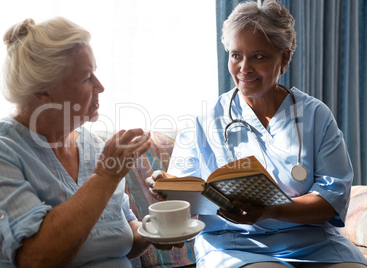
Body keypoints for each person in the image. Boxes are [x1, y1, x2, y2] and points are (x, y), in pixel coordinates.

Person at [146, 0, 367, 267]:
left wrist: (272, 211)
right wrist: (167, 188)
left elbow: (333, 199)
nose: (244, 68)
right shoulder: (205, 119)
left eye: (258, 57)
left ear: (284, 57)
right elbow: (186, 191)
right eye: (236, 55)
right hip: (233, 243)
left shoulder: (316, 115)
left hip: (314, 242)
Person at [0, 17, 177, 267]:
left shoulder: (94, 146)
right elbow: (37, 258)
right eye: (87, 77)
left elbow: (123, 236)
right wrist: (105, 177)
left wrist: (157, 229)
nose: (100, 86)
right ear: (43, 92)